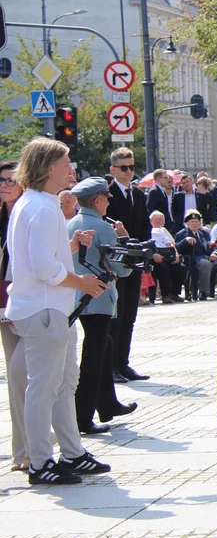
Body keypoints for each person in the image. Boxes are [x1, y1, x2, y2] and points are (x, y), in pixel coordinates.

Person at [6, 138, 111, 485]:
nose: (71, 169)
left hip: (50, 308)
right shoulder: (41, 207)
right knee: (44, 388)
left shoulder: (36, 203)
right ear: (49, 168)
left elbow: (41, 258)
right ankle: (40, 462)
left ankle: (72, 452)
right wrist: (80, 282)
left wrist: (70, 261)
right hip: (45, 310)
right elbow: (42, 267)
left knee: (63, 384)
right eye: (66, 163)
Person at [67, 177, 138, 434]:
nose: (109, 201)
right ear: (97, 199)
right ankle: (83, 416)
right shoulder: (103, 226)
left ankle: (107, 404)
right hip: (97, 297)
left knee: (104, 346)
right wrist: (125, 239)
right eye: (107, 197)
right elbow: (121, 268)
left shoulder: (71, 223)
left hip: (76, 297)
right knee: (94, 356)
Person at [106, 147, 151, 383]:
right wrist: (126, 242)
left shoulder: (139, 194)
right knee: (117, 316)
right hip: (116, 263)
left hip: (134, 262)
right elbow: (109, 227)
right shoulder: (108, 195)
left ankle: (123, 363)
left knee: (130, 316)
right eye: (124, 167)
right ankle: (112, 366)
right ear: (113, 170)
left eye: (132, 167)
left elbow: (144, 224)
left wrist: (141, 247)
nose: (129, 171)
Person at [0, 161, 29, 471]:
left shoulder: (27, 213)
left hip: (25, 301)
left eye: (11, 180)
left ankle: (33, 449)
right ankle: (21, 451)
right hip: (3, 302)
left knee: (23, 376)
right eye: (2, 180)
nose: (5, 185)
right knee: (14, 378)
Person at [175, 211, 217, 301]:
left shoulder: (204, 233)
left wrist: (214, 253)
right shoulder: (182, 234)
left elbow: (213, 246)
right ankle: (203, 291)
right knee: (206, 264)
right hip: (194, 259)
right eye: (192, 222)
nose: (194, 224)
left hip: (208, 257)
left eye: (196, 221)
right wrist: (185, 241)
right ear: (187, 223)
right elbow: (177, 248)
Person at [148, 211, 186, 303]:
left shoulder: (162, 231)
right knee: (163, 268)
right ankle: (165, 295)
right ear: (150, 220)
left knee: (181, 267)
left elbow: (170, 244)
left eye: (160, 220)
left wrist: (176, 255)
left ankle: (174, 294)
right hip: (152, 255)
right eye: (155, 219)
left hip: (166, 253)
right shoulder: (147, 230)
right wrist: (153, 254)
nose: (158, 221)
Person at [146, 169, 177, 233]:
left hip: (167, 226)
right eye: (165, 178)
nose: (168, 180)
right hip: (160, 227)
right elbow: (151, 210)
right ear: (158, 179)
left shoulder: (163, 192)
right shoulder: (154, 192)